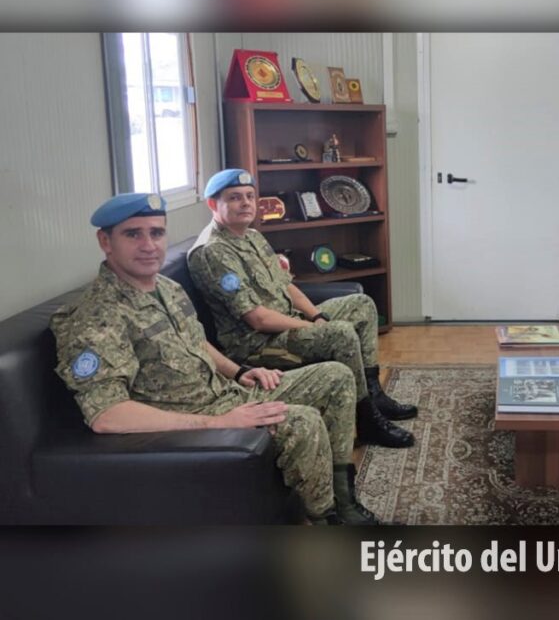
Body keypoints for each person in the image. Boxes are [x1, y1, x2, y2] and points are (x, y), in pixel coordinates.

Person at [50, 193, 377, 525]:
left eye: (156, 232)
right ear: (105, 241)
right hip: (190, 419)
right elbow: (107, 415)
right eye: (133, 234)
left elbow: (196, 342)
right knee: (302, 422)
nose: (149, 245)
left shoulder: (167, 288)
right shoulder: (95, 316)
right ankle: (325, 519)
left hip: (224, 392)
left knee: (335, 377)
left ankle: (344, 501)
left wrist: (239, 372)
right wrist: (219, 423)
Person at [187, 169, 415, 450]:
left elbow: (286, 286)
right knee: (339, 334)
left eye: (249, 196)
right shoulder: (212, 252)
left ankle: (374, 395)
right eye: (234, 198)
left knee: (361, 305)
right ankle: (367, 419)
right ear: (213, 204)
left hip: (285, 323)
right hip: (257, 344)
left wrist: (317, 316)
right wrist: (314, 327)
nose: (246, 203)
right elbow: (257, 319)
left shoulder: (251, 236)